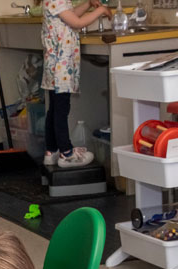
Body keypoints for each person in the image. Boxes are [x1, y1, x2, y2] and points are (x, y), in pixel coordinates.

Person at [41, 0, 112, 168]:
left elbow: (71, 14)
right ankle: (67, 153)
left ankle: (51, 151)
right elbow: (77, 22)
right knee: (61, 110)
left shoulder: (56, 2)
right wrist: (101, 10)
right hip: (61, 67)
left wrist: (88, 4)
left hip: (57, 66)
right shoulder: (54, 0)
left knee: (54, 110)